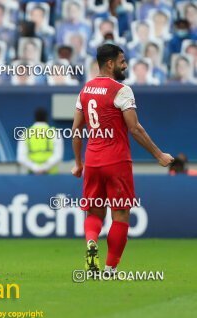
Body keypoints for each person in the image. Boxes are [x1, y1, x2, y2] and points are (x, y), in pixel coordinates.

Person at [71, 44, 173, 273]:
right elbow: (135, 128)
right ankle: (110, 269)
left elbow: (76, 129)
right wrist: (159, 155)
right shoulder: (121, 90)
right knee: (121, 213)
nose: (125, 65)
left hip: (93, 161)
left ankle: (91, 242)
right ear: (110, 63)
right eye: (122, 61)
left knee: (95, 211)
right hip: (117, 161)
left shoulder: (85, 90)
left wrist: (78, 163)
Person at [17, 108, 63, 175]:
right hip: (52, 177)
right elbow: (58, 155)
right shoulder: (54, 133)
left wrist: (35, 168)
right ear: (46, 118)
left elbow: (21, 157)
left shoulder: (25, 133)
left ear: (35, 118)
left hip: (32, 176)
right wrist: (44, 167)